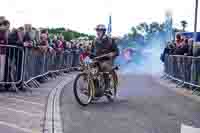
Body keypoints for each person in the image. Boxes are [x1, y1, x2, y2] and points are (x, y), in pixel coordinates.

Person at [90, 24, 119, 97]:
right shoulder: (94, 40)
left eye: (99, 30)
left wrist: (111, 54)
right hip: (97, 60)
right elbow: (92, 52)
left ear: (103, 31)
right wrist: (90, 54)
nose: (97, 32)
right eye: (97, 30)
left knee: (104, 66)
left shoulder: (110, 40)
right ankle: (96, 89)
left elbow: (116, 51)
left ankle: (107, 88)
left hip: (107, 60)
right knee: (91, 70)